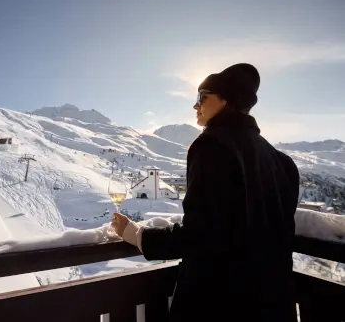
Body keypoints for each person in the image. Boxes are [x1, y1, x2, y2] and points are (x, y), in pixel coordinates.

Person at [112, 63, 300, 322]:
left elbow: (199, 234)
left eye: (202, 96)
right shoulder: (282, 162)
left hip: (221, 304)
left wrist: (136, 234)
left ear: (226, 100)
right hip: (274, 304)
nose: (195, 105)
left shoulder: (212, 145)